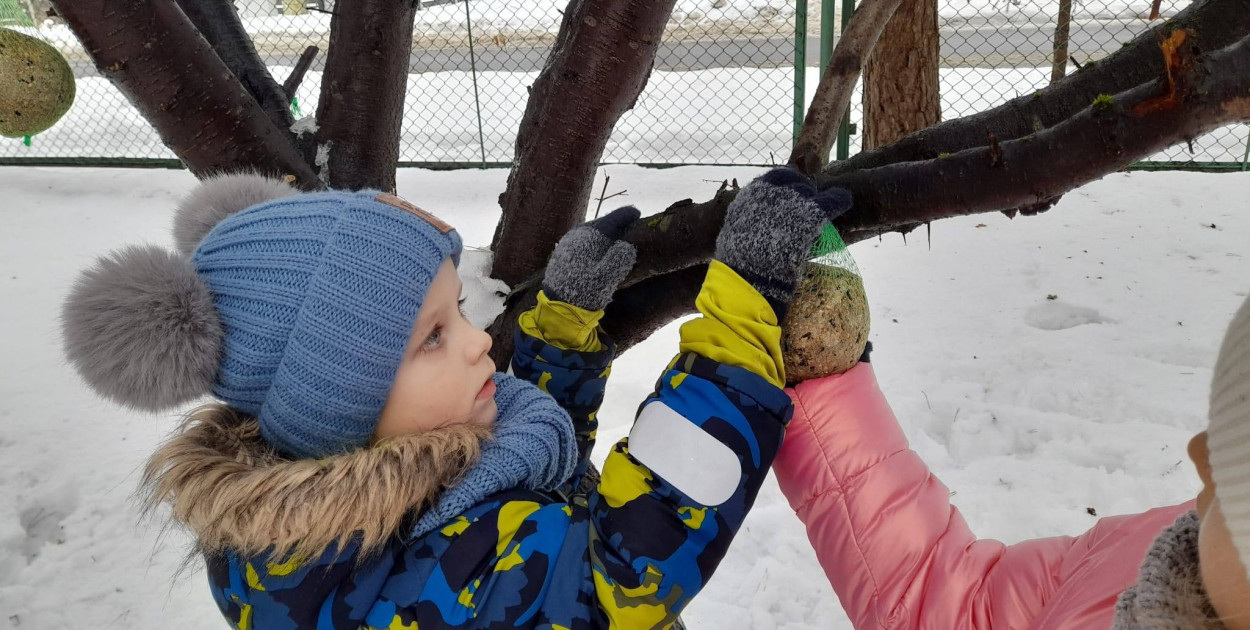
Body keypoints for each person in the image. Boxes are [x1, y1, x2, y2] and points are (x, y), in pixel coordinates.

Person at [61, 168, 847, 629]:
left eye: (458, 310)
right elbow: (620, 570)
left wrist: (562, 329)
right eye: (433, 335)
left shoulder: (383, 490)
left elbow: (523, 488)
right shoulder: (404, 581)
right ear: (343, 406)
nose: (477, 343)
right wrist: (743, 318)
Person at [773, 263, 1250, 628]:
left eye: (1240, 464)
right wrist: (825, 380)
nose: (1200, 454)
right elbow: (947, 603)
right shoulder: (1165, 556)